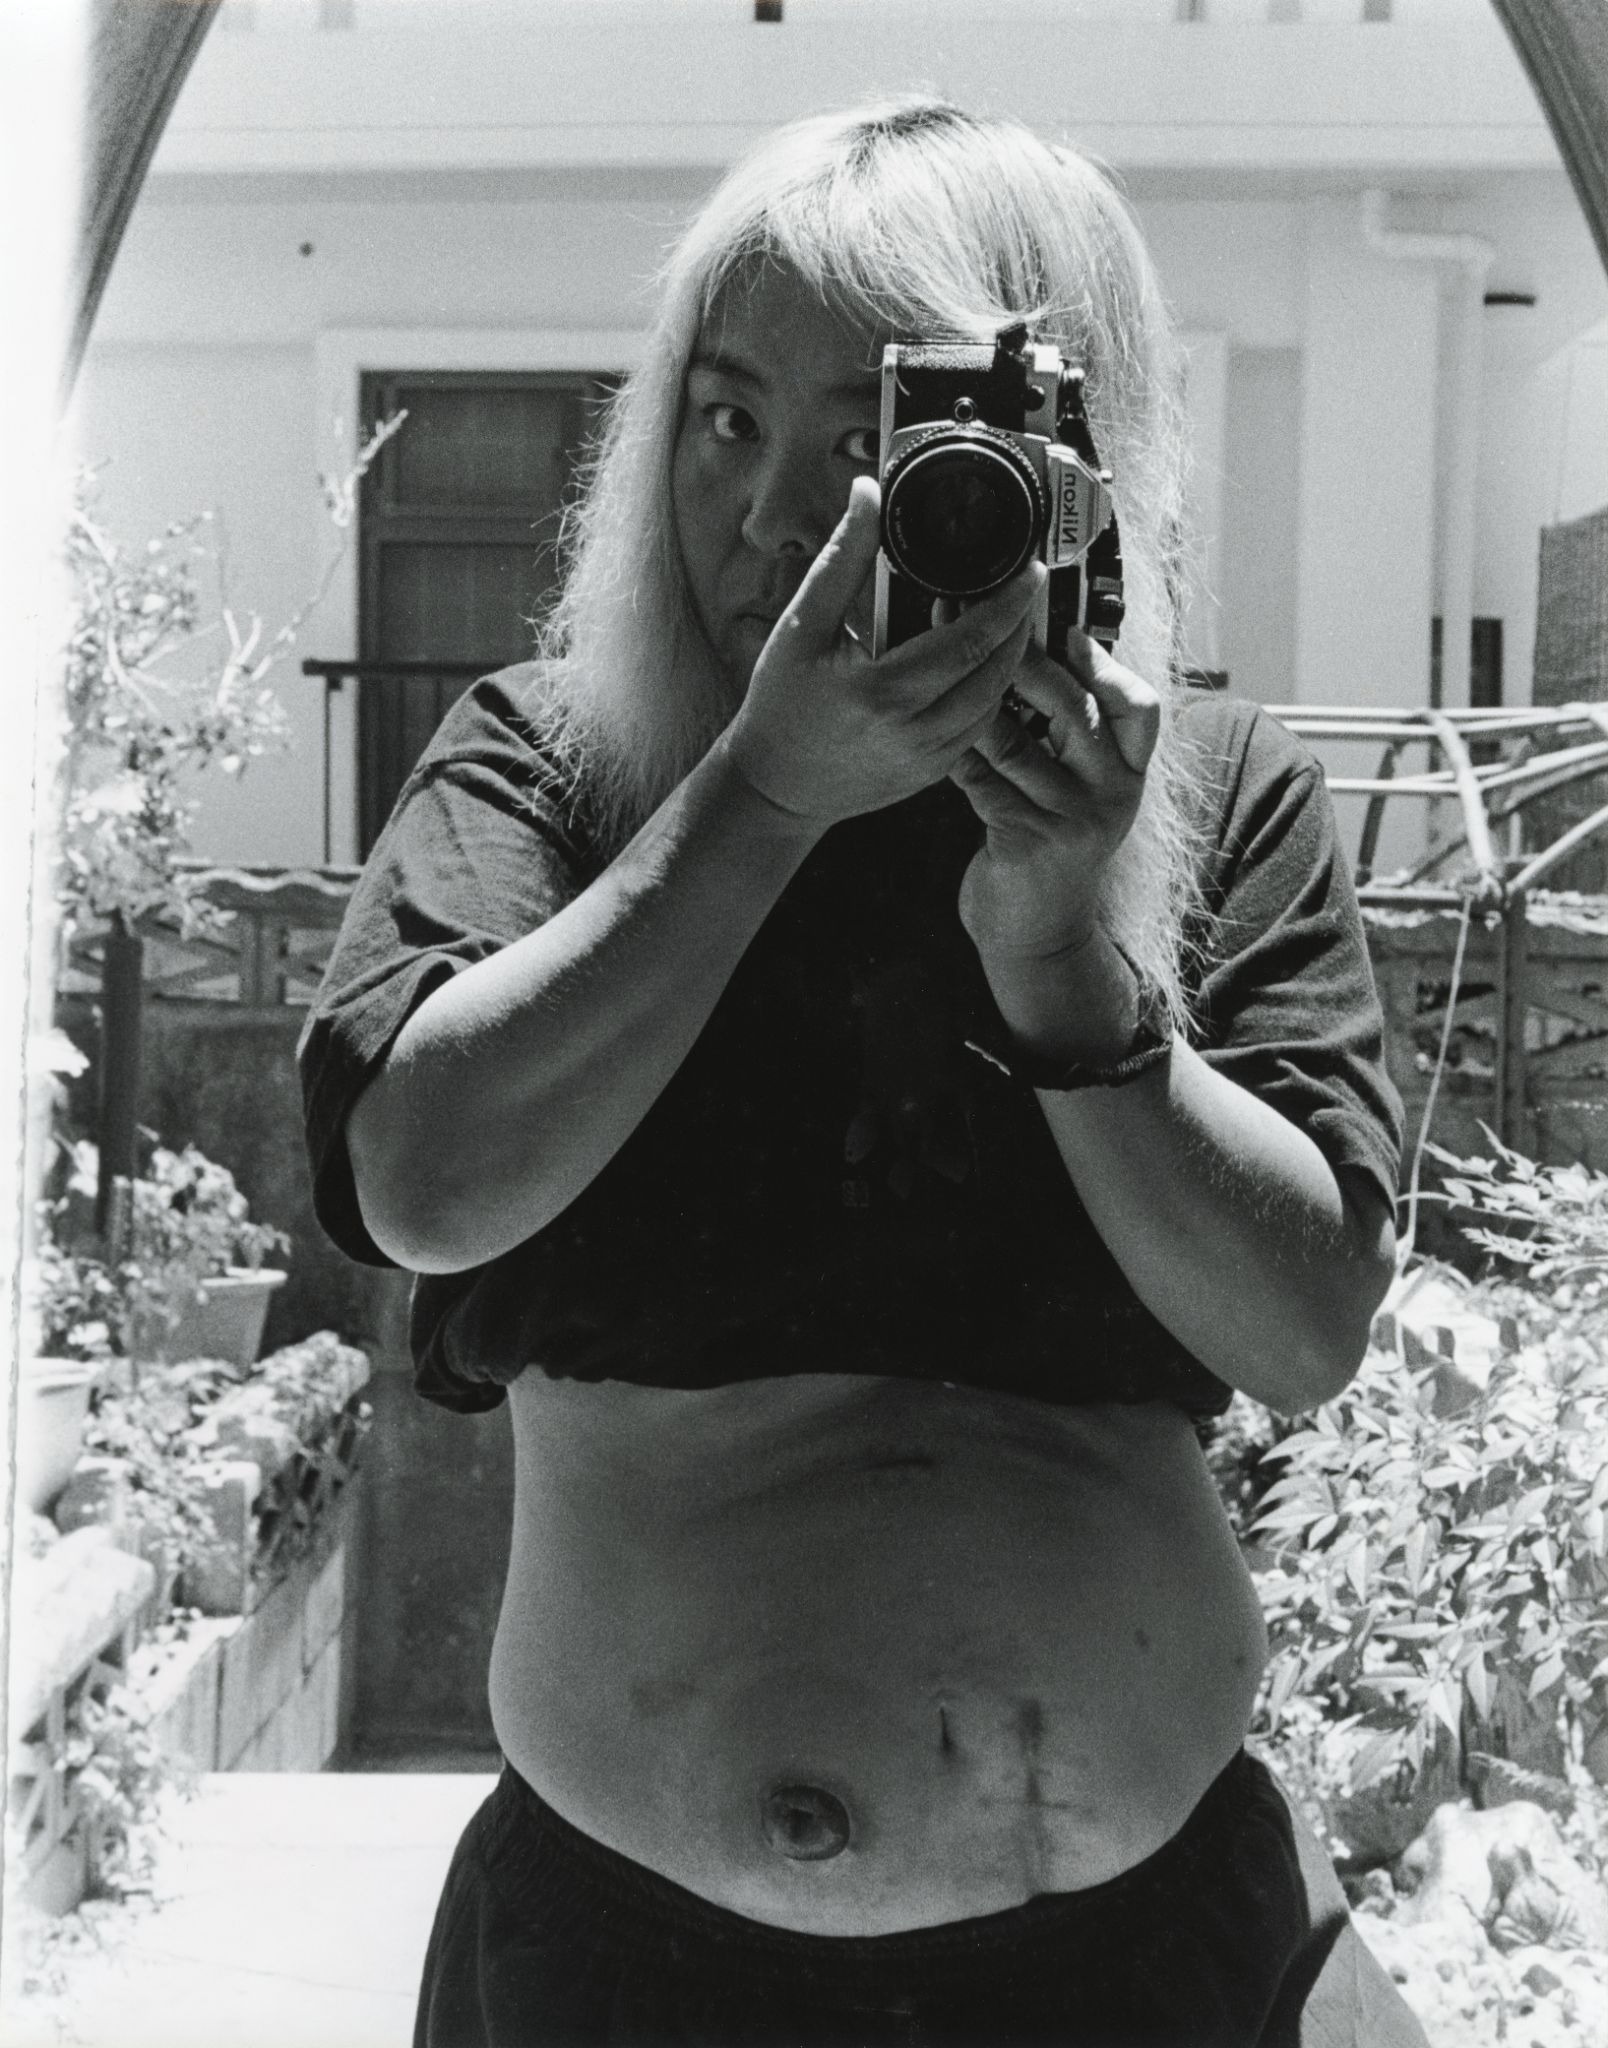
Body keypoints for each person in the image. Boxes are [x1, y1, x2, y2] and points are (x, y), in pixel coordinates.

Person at [300, 97, 1428, 2048]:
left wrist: (1070, 963)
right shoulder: (562, 769)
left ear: (1055, 460)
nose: (766, 518)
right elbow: (424, 1176)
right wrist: (754, 804)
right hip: (644, 1961)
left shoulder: (1205, 801)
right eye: (726, 421)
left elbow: (1304, 1325)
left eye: (873, 447)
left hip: (1170, 1953)